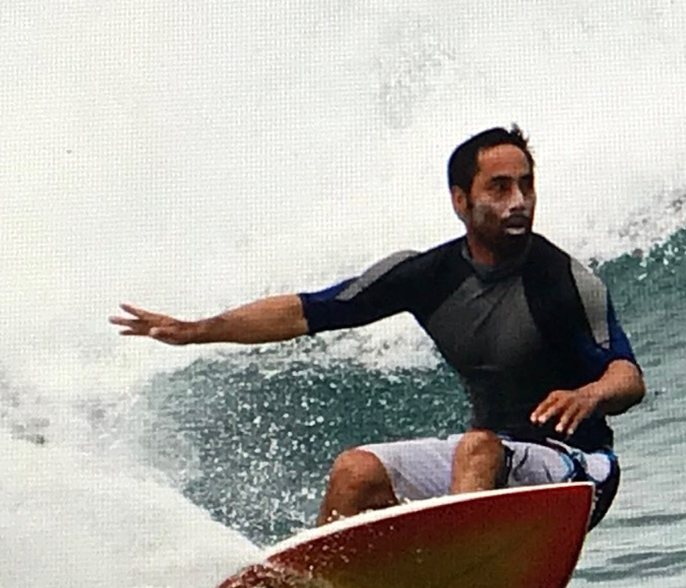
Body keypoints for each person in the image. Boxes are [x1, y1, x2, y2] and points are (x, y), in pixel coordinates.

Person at [112, 125, 645, 527]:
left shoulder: (563, 279)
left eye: (525, 186)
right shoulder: (427, 275)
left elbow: (628, 376)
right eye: (499, 188)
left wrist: (591, 394)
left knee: (476, 448)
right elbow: (307, 310)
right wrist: (196, 330)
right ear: (460, 200)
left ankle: (458, 583)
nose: (519, 202)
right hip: (487, 465)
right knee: (355, 471)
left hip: (577, 471)